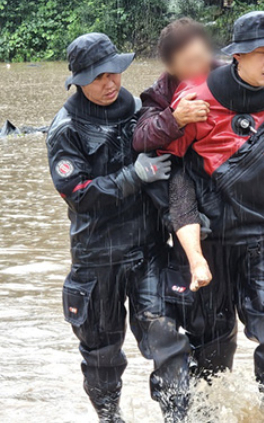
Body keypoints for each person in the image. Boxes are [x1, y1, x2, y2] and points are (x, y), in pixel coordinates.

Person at [151, 11, 264, 403]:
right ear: (237, 55)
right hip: (210, 241)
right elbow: (175, 173)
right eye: (261, 53)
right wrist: (194, 254)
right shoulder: (195, 100)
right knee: (211, 355)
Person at [46, 33, 191, 423]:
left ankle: (179, 417)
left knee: (167, 337)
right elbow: (77, 192)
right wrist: (133, 175)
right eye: (99, 78)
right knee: (101, 354)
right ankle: (110, 418)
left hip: (147, 250)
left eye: (115, 73)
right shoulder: (65, 129)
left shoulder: (138, 112)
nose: (110, 83)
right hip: (96, 258)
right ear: (78, 80)